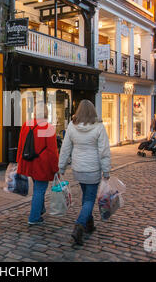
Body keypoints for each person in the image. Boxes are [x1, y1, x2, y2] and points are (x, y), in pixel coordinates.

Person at [58, 100, 111, 246]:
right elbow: (104, 150)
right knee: (89, 199)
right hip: (93, 169)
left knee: (86, 196)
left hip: (78, 168)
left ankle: (89, 224)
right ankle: (79, 226)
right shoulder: (99, 127)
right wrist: (106, 170)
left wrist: (61, 166)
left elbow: (65, 148)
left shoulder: (72, 126)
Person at [16, 101, 59, 225]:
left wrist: (19, 160)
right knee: (40, 190)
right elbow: (52, 152)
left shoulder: (26, 125)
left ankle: (40, 209)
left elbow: (21, 144)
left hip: (29, 162)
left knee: (37, 188)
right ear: (46, 112)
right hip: (42, 164)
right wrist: (55, 168)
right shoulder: (48, 127)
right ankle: (34, 217)